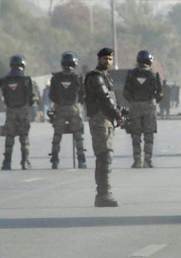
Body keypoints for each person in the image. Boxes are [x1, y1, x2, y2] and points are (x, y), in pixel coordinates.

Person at [85, 48, 123, 207]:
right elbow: (104, 98)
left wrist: (118, 111)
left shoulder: (106, 77)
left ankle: (103, 194)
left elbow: (111, 99)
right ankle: (103, 194)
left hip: (106, 120)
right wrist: (118, 115)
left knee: (104, 156)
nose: (107, 62)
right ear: (98, 59)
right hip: (99, 120)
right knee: (104, 156)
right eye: (104, 58)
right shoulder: (95, 77)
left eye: (110, 59)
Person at [124, 50, 162, 168]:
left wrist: (132, 101)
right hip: (149, 106)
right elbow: (160, 93)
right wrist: (154, 101)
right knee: (148, 134)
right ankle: (147, 160)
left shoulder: (131, 74)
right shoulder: (154, 74)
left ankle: (136, 160)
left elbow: (126, 92)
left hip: (135, 105)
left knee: (135, 135)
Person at [49, 52, 86, 169]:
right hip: (74, 108)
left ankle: (54, 159)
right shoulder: (78, 78)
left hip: (60, 109)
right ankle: (81, 160)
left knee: (57, 135)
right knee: (78, 135)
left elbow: (52, 95)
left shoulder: (56, 78)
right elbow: (83, 94)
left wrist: (59, 103)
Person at [1, 55, 37, 170]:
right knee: (24, 136)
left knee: (9, 136)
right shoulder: (26, 80)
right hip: (23, 111)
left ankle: (7, 162)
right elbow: (31, 97)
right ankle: (24, 161)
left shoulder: (4, 80)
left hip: (10, 110)